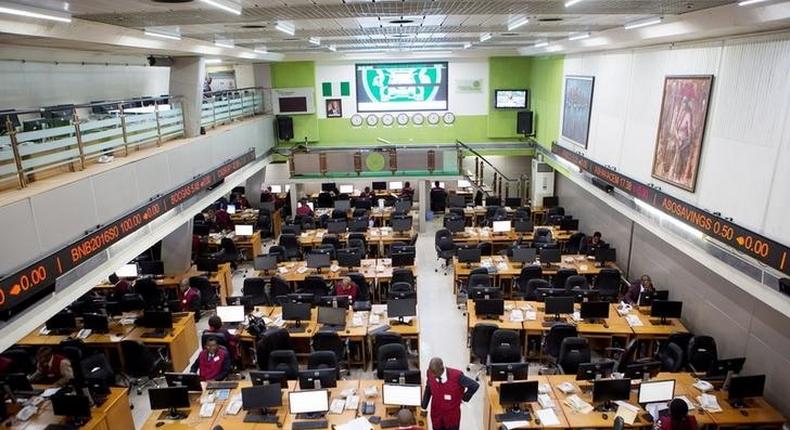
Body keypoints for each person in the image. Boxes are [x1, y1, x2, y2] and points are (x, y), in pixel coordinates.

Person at [421, 357, 479, 430]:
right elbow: (428, 389)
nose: (433, 375)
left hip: (451, 417)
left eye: (435, 373)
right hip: (436, 415)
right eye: (431, 372)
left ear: (442, 368)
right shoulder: (430, 373)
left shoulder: (457, 376)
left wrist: (464, 398)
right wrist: (423, 407)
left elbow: (474, 385)